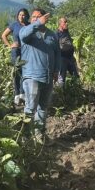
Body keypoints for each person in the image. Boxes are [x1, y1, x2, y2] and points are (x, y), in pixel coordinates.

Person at [19, 8, 61, 139]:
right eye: (33, 17)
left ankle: (39, 135)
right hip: (32, 76)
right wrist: (37, 24)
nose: (35, 19)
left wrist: (56, 70)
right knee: (30, 108)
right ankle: (25, 138)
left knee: (43, 107)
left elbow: (57, 53)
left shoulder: (52, 35)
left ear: (45, 19)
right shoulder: (27, 32)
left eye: (38, 17)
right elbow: (23, 36)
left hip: (47, 76)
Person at [1, 8, 30, 106]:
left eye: (23, 15)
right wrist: (9, 45)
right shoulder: (14, 25)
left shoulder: (29, 25)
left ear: (26, 16)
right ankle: (17, 94)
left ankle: (23, 93)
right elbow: (4, 35)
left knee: (25, 72)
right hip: (16, 51)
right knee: (16, 72)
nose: (21, 17)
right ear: (17, 16)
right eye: (20, 15)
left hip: (26, 52)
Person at [56, 16, 79, 85]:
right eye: (65, 22)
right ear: (60, 24)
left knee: (75, 76)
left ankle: (76, 90)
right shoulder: (57, 34)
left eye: (67, 22)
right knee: (62, 78)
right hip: (62, 59)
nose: (67, 23)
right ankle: (61, 93)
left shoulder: (66, 32)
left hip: (70, 58)